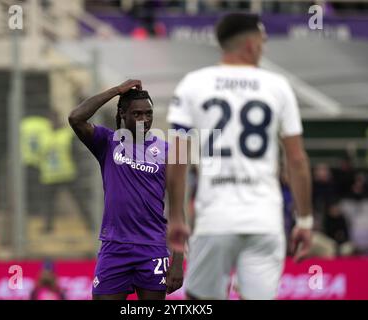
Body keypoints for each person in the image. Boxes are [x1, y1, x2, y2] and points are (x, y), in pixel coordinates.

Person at [166, 12, 313, 300]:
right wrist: (304, 220)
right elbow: (296, 159)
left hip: (215, 219)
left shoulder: (193, 84)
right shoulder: (278, 86)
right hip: (264, 220)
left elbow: (179, 156)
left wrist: (176, 217)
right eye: (263, 40)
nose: (264, 47)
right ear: (250, 44)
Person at [68, 79, 184, 300]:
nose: (144, 120)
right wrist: (115, 91)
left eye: (148, 114)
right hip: (114, 248)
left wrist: (178, 261)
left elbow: (178, 210)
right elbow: (75, 117)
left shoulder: (169, 151)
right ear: (122, 114)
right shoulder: (107, 142)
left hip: (152, 248)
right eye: (137, 114)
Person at [39, 110, 94, 233]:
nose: (51, 122)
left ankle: (91, 224)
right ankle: (48, 227)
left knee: (80, 201)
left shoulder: (67, 134)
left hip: (67, 173)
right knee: (48, 204)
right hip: (50, 176)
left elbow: (76, 153)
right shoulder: (45, 135)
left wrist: (77, 168)